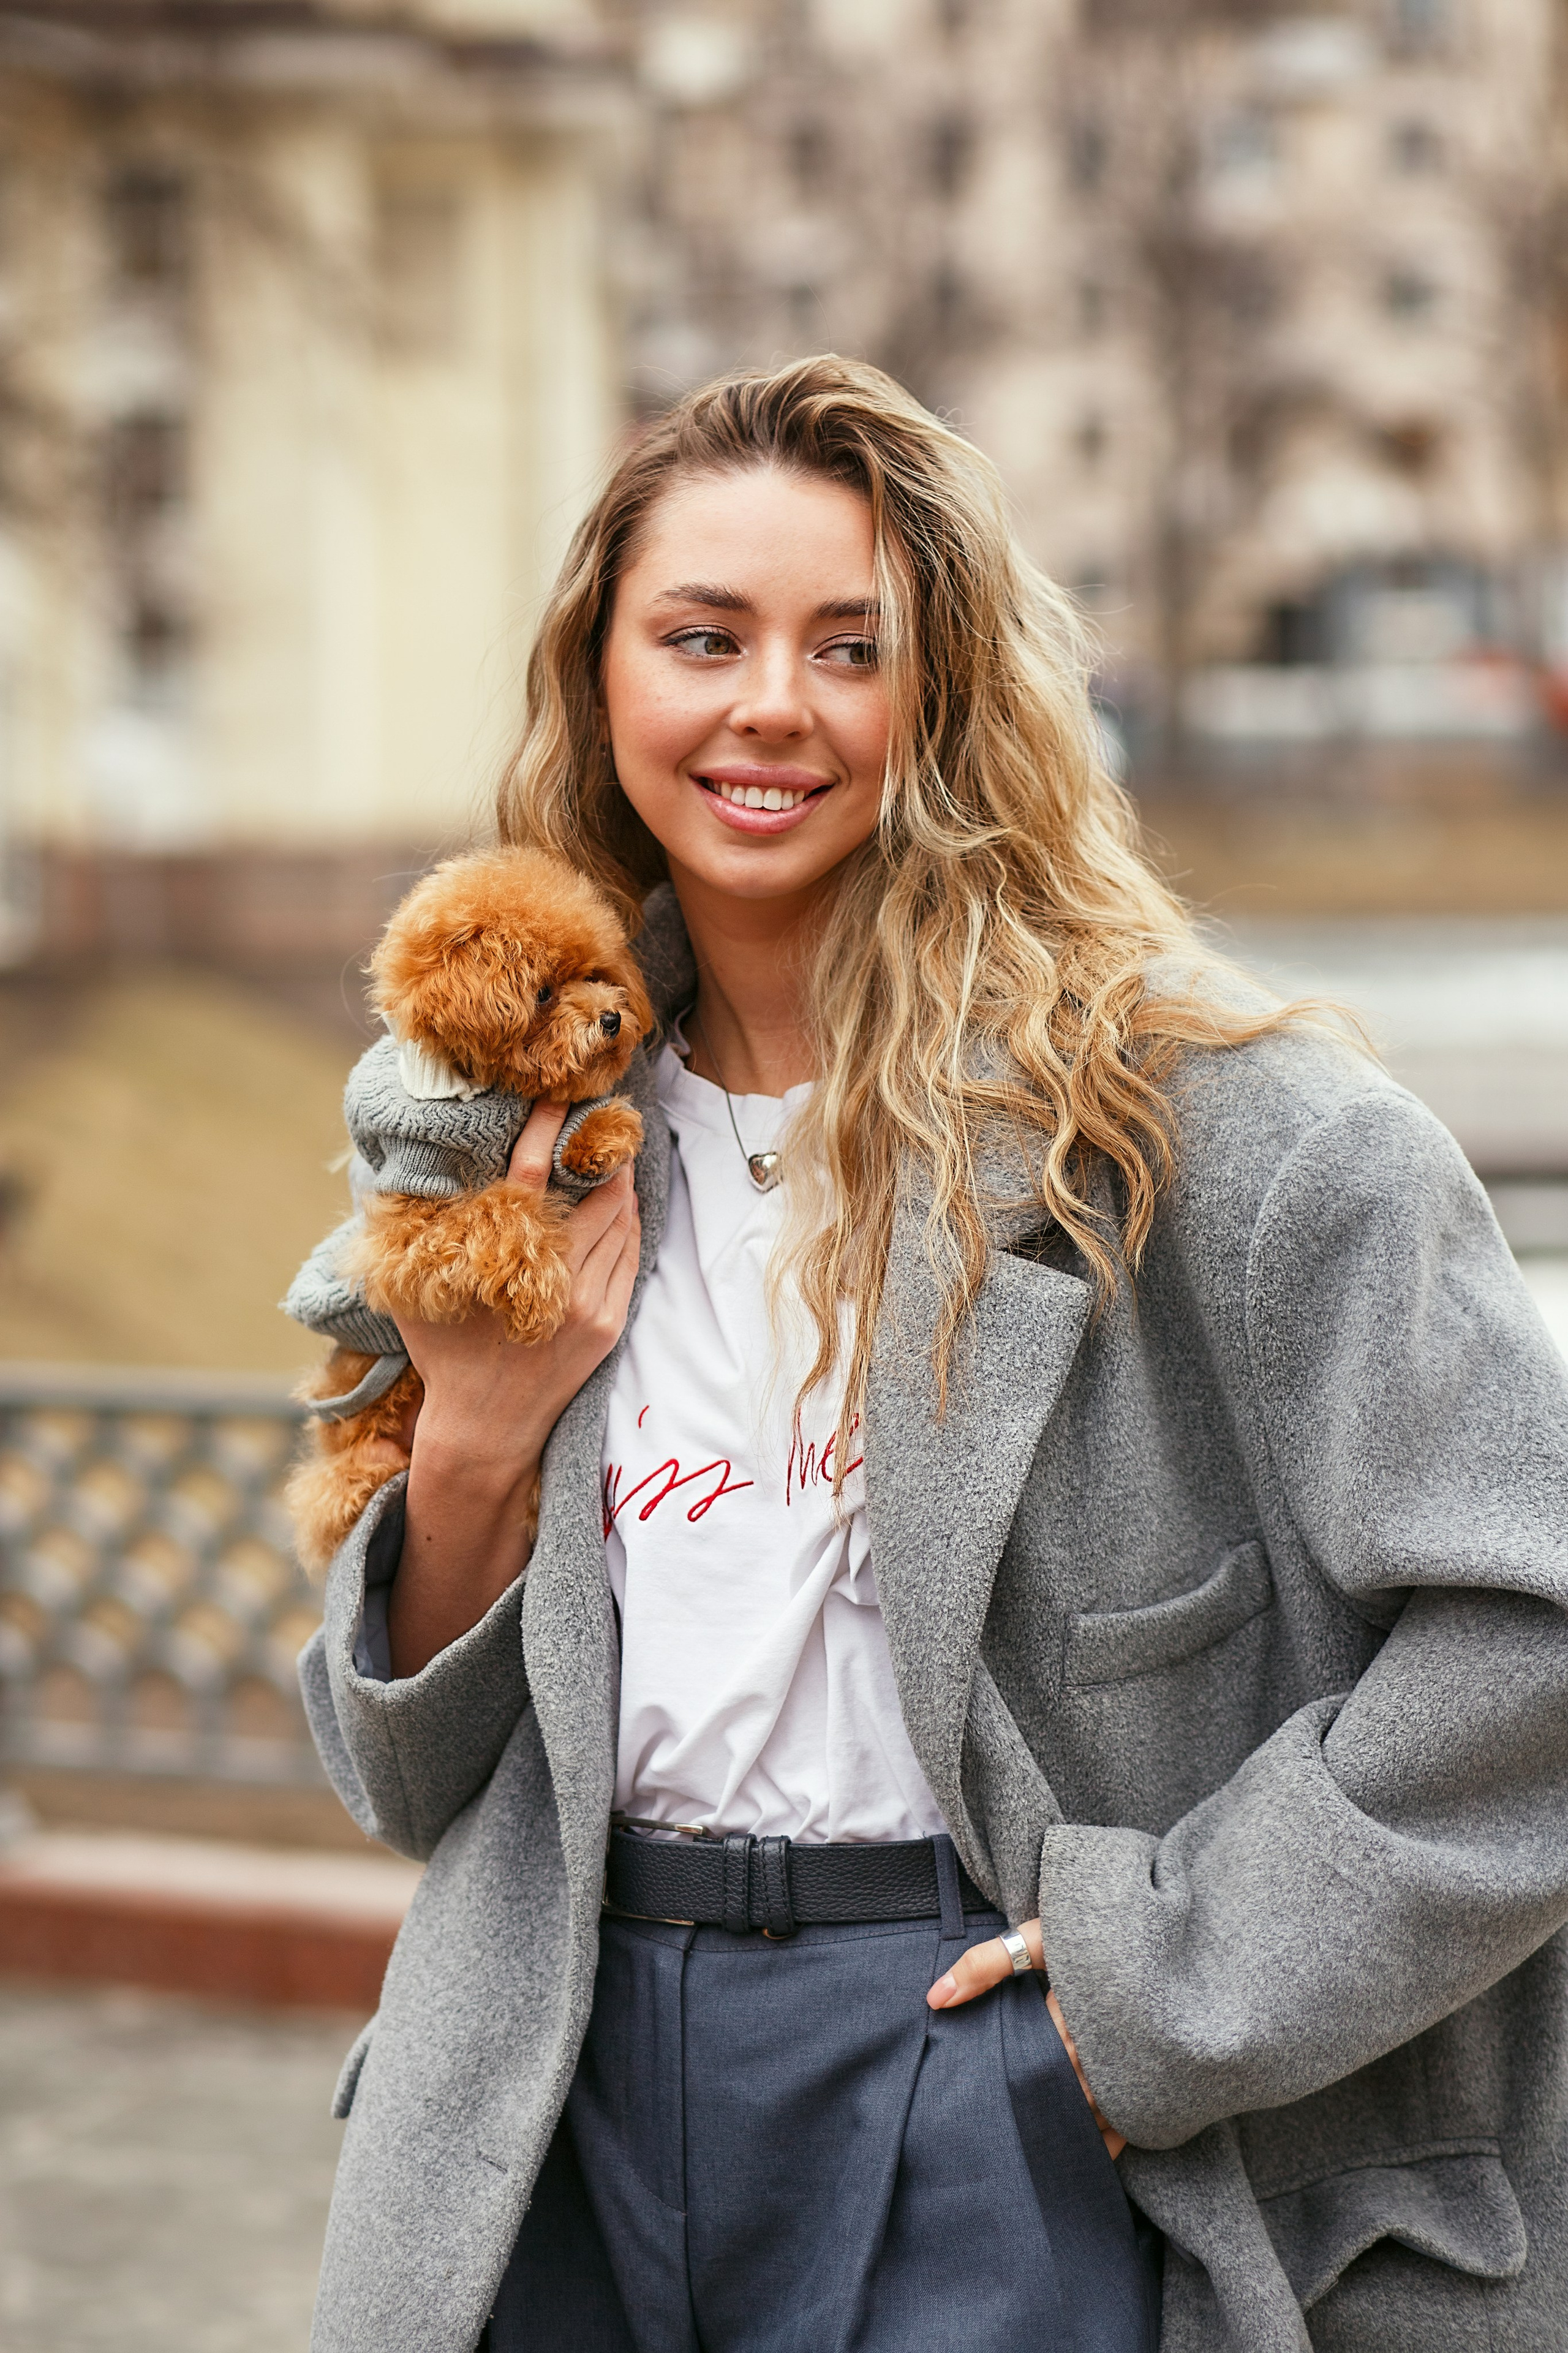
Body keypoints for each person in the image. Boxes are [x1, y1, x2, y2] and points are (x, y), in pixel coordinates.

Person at [298, 357, 1568, 2353]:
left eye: (851, 646)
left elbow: (1536, 1641)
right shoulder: (506, 1134)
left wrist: (1150, 1995)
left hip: (987, 2075)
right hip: (553, 2091)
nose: (770, 704)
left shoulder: (1225, 1134)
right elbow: (408, 1779)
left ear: (952, 687)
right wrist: (471, 1431)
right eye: (701, 637)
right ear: (601, 678)